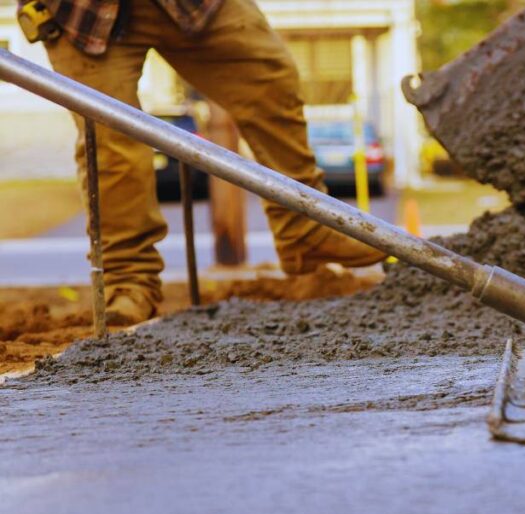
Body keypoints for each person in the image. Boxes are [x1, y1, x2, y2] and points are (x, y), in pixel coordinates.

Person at [26, 0, 385, 324]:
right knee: (110, 144)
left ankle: (306, 231)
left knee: (269, 79)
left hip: (195, 6)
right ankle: (128, 281)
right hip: (82, 12)